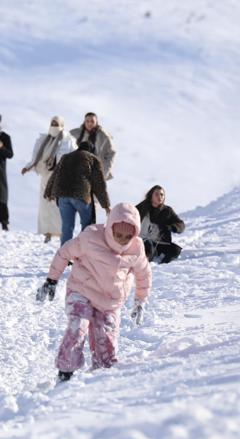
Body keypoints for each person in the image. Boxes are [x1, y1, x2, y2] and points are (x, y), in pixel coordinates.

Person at [35, 203, 152, 382]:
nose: (122, 240)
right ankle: (66, 371)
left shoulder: (136, 248)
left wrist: (140, 300)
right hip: (82, 290)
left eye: (127, 236)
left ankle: (102, 376)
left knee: (106, 339)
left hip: (110, 301)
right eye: (118, 234)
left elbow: (143, 274)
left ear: (135, 233)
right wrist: (51, 279)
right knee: (77, 326)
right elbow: (64, 253)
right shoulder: (90, 237)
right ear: (110, 226)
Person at [22, 115, 77, 242]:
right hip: (46, 176)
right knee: (45, 204)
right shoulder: (44, 139)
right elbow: (35, 156)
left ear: (62, 125)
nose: (54, 126)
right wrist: (28, 167)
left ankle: (59, 232)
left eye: (56, 124)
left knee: (58, 205)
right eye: (52, 123)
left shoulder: (68, 140)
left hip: (60, 178)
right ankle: (47, 231)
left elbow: (75, 157)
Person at [45, 141, 111, 245]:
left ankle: (64, 257)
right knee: (87, 227)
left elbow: (54, 175)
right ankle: (82, 254)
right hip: (81, 196)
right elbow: (99, 185)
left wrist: (48, 192)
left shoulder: (65, 157)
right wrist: (106, 205)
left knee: (67, 227)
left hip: (63, 196)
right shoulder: (93, 159)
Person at [136, 185, 186, 263]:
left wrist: (171, 227)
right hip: (144, 240)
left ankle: (162, 266)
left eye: (162, 194)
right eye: (156, 194)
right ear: (151, 195)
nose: (160, 197)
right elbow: (130, 213)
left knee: (176, 250)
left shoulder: (167, 210)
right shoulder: (142, 207)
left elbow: (181, 224)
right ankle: (144, 264)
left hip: (161, 243)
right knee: (149, 248)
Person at [69, 112, 117, 180]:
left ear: (96, 122)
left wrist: (104, 172)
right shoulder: (75, 133)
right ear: (84, 122)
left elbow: (111, 154)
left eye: (92, 121)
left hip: (95, 172)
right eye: (87, 121)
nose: (89, 123)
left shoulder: (104, 136)